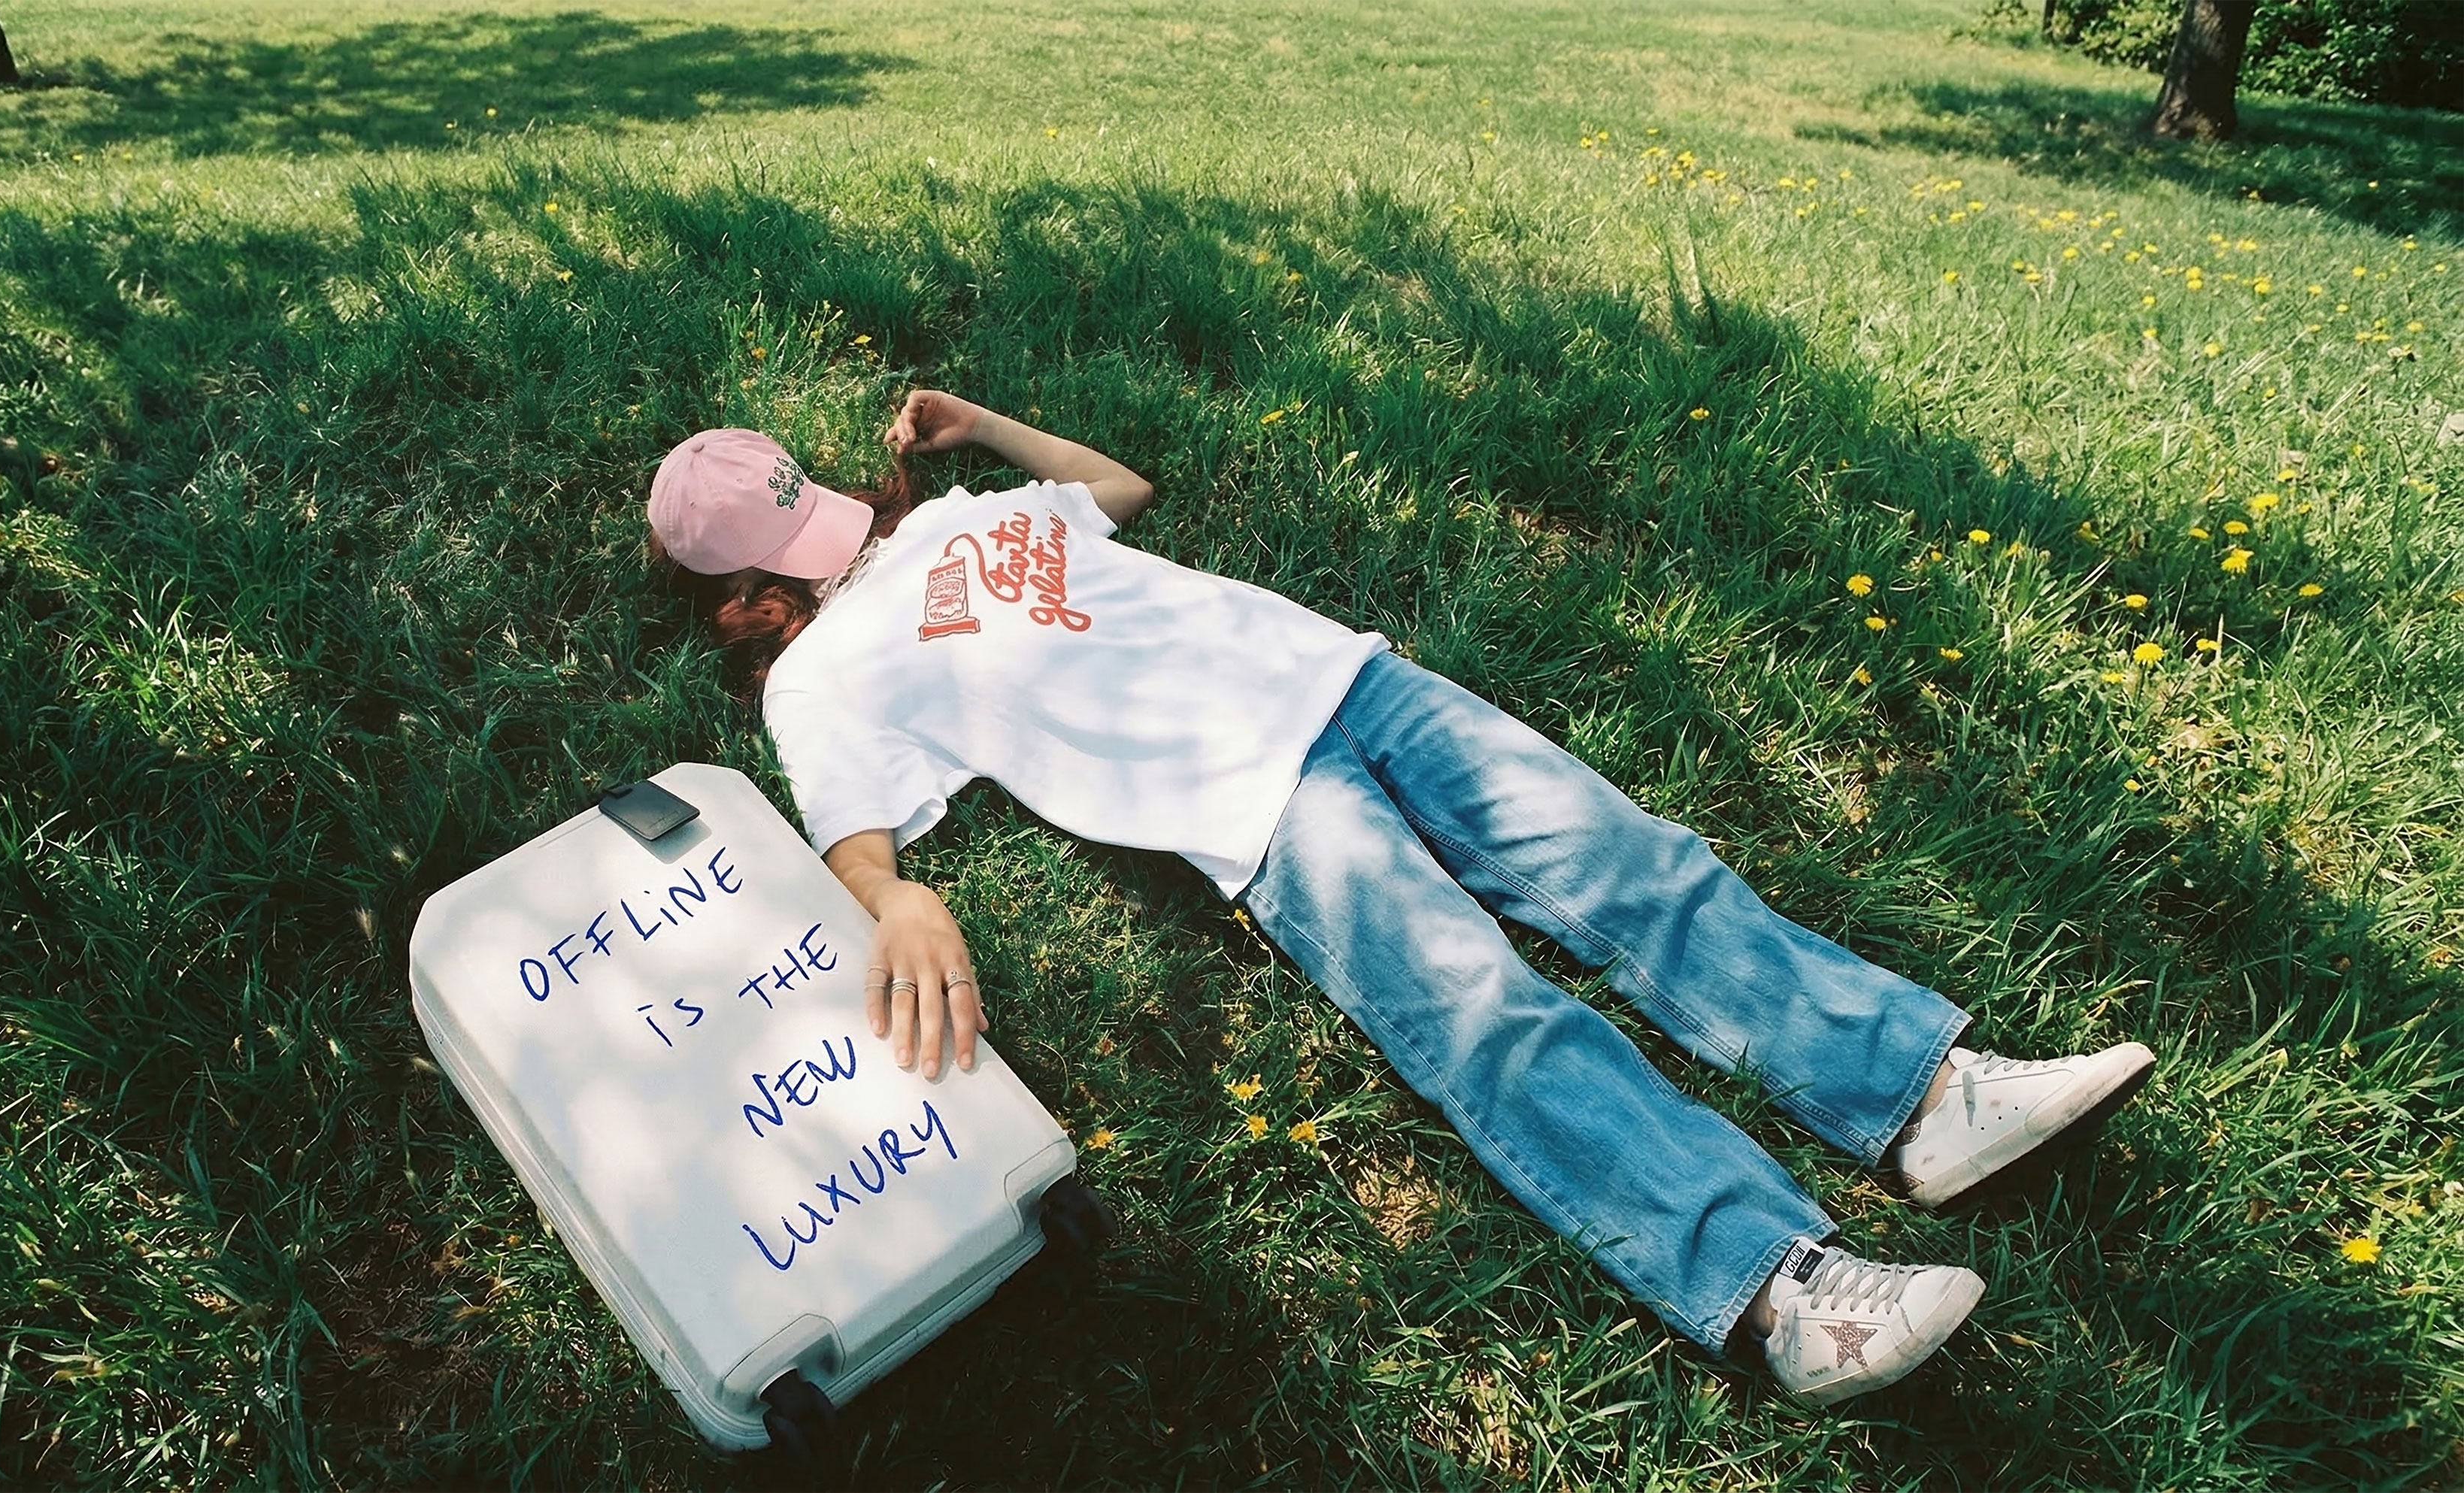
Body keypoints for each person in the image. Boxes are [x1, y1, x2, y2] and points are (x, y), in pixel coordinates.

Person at [644, 390, 2156, 1407]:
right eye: (803, 540)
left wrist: (978, 426)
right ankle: (1781, 1292)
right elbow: (850, 832)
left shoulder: (956, 520)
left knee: (1638, 862)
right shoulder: (819, 676)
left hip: (1352, 681)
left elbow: (1116, 490)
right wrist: (898, 900)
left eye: (823, 500)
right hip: (1255, 802)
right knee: (1488, 1015)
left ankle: (1926, 1096)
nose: (846, 525)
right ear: (747, 600)